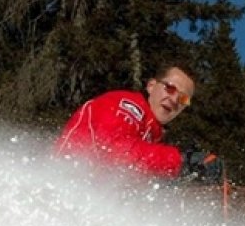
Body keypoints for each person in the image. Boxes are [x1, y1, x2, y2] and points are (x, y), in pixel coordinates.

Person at [53, 64, 223, 183]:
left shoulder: (150, 134)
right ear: (151, 86)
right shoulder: (127, 105)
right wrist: (180, 161)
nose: (173, 99)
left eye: (183, 99)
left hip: (89, 204)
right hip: (64, 189)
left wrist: (192, 175)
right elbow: (114, 150)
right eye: (170, 88)